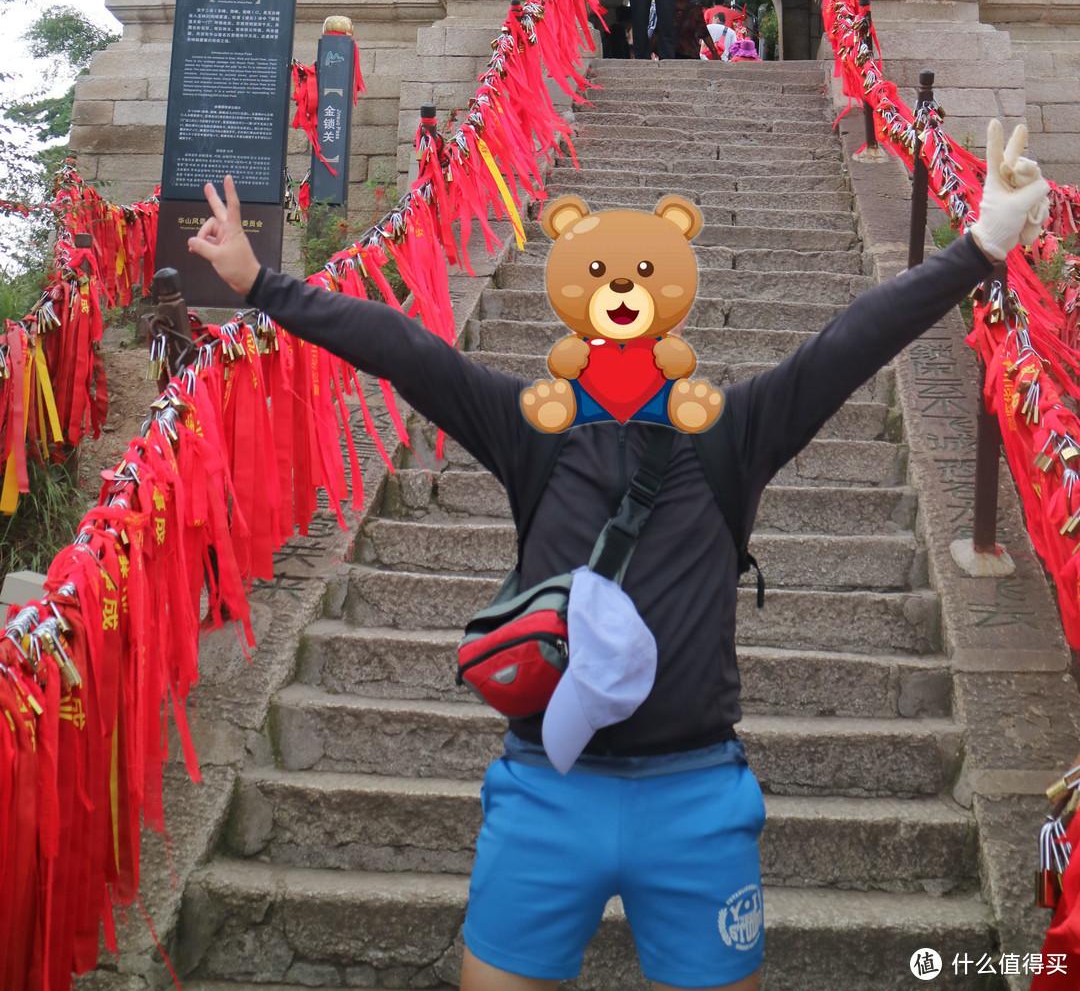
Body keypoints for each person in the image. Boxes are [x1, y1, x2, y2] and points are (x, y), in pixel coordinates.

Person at [189, 122, 1050, 991]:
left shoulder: (731, 432)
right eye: (602, 279)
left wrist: (980, 246)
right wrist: (264, 285)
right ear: (573, 302)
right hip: (545, 791)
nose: (623, 297)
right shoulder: (534, 428)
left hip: (697, 796)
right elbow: (408, 353)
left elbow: (848, 344)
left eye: (643, 279)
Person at [651, 0, 721, 61]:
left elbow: (704, 33)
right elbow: (658, 31)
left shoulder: (695, 11)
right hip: (668, 57)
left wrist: (714, 51)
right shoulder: (666, 9)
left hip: (690, 56)